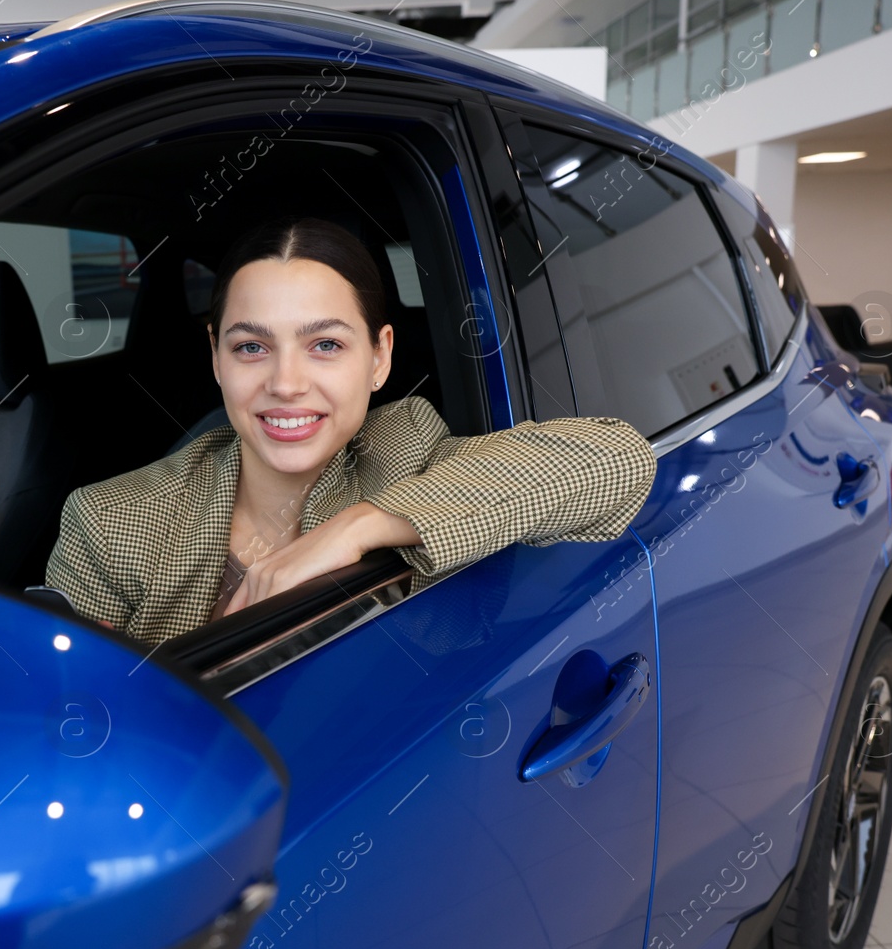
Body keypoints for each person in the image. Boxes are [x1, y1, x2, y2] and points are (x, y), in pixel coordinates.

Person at [45, 216, 657, 645]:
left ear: (379, 357)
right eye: (252, 346)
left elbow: (614, 456)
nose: (286, 383)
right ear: (215, 357)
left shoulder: (407, 449)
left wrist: (356, 528)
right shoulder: (108, 522)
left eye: (326, 344)